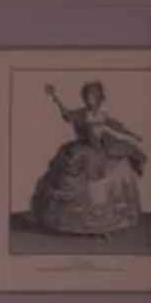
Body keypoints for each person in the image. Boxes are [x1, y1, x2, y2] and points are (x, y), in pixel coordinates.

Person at [27, 78, 147, 237]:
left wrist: (134, 135)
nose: (89, 99)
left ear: (98, 97)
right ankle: (81, 224)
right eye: (87, 96)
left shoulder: (102, 113)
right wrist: (55, 98)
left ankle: (107, 222)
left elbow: (116, 126)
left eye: (92, 96)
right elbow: (67, 116)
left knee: (120, 162)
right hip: (83, 149)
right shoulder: (81, 113)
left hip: (103, 146)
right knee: (78, 176)